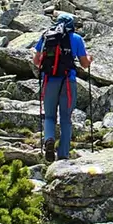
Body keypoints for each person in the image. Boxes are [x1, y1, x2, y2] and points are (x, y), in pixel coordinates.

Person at [33, 12, 91, 163]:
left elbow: (36, 61)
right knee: (66, 118)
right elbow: (84, 64)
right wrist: (90, 59)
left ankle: (49, 139)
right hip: (67, 81)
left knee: (49, 116)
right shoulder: (77, 39)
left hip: (49, 80)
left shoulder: (46, 36)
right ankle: (63, 155)